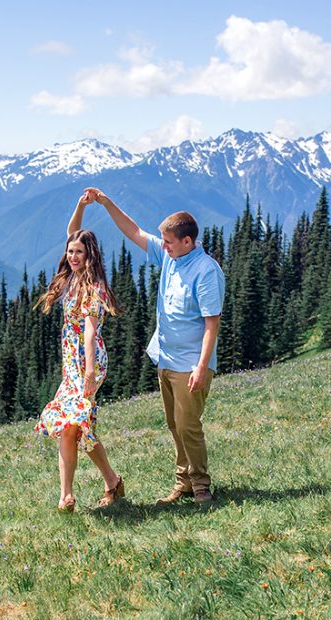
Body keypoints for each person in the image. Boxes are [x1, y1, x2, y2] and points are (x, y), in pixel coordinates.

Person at [86, 188, 224, 504]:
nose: (163, 246)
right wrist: (107, 203)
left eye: (169, 242)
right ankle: (184, 482)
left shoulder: (205, 271)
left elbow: (211, 324)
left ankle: (201, 485)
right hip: (165, 357)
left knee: (189, 425)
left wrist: (201, 367)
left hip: (190, 362)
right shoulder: (170, 256)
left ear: (187, 242)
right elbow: (133, 230)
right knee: (174, 424)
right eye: (163, 241)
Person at [34, 190, 125, 512]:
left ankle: (66, 495)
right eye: (70, 251)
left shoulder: (93, 286)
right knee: (76, 427)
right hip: (71, 362)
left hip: (88, 362)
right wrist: (80, 206)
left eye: (79, 253)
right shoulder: (71, 278)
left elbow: (89, 332)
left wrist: (88, 373)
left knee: (72, 424)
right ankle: (108, 482)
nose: (73, 256)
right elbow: (72, 231)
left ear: (90, 256)